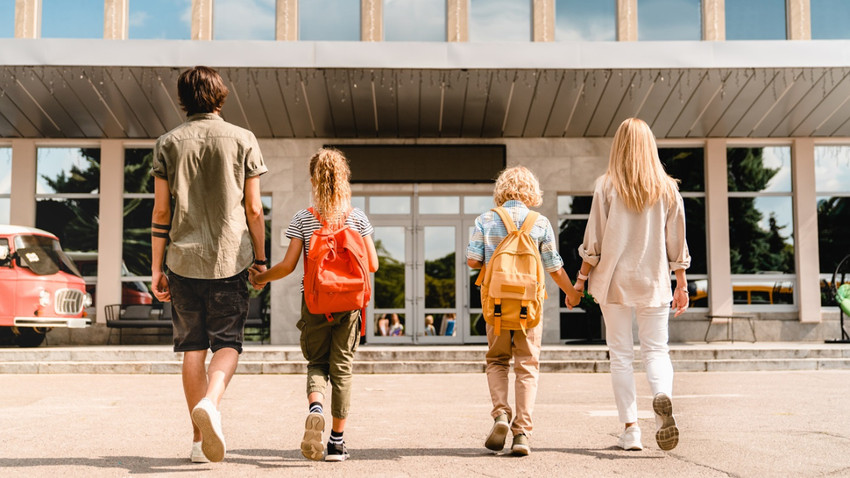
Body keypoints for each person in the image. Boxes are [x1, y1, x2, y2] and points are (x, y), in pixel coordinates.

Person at [150, 66, 267, 464]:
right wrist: (261, 258)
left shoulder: (167, 143)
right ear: (221, 95)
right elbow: (253, 208)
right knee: (229, 343)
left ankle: (199, 443)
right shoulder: (243, 139)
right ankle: (212, 403)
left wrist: (155, 267)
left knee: (192, 348)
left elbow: (162, 209)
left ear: (183, 99)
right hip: (230, 259)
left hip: (182, 261)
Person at [248, 148, 378, 462]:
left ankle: (315, 408)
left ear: (312, 179)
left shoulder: (303, 218)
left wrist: (262, 277)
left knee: (317, 364)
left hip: (315, 304)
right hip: (349, 307)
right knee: (343, 371)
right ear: (344, 178)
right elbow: (372, 264)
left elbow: (289, 265)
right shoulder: (357, 217)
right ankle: (336, 442)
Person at [574, 117, 690, 452]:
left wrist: (580, 280)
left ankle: (631, 430)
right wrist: (680, 282)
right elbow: (676, 241)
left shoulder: (607, 185)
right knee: (656, 349)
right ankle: (660, 395)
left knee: (621, 355)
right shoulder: (668, 189)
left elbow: (593, 240)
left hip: (614, 282)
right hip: (653, 280)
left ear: (619, 146)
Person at [467, 166, 582, 456]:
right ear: (531, 190)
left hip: (495, 305)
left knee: (497, 360)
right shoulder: (539, 222)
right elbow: (554, 267)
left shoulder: (485, 220)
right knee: (527, 366)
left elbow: (472, 261)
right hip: (529, 307)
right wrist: (572, 293)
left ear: (501, 189)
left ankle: (501, 415)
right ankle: (522, 435)